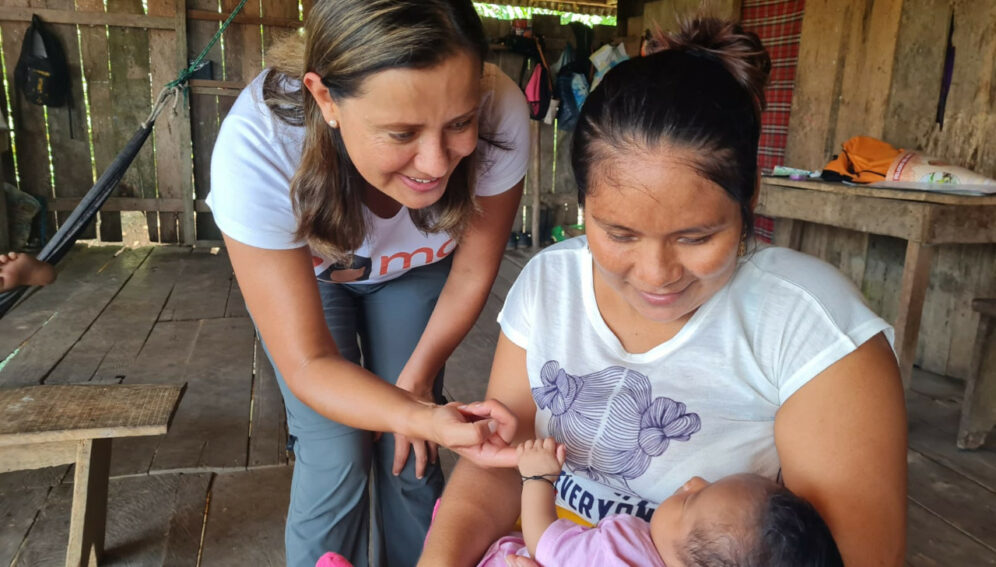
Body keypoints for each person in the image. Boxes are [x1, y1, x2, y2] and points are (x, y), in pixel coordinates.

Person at [420, 17, 907, 567]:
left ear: (750, 200)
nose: (655, 275)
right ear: (583, 205)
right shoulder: (550, 283)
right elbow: (502, 464)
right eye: (618, 234)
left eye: (696, 236)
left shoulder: (811, 328)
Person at [206, 2, 529, 566]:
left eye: (458, 123)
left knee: (413, 451)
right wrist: (412, 411)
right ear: (325, 98)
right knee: (336, 454)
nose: (434, 162)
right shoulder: (258, 144)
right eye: (401, 133)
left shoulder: (499, 106)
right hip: (312, 278)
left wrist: (418, 397)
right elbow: (308, 362)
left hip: (419, 269)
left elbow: (475, 269)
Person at [478, 437, 843, 567]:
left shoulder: (621, 549)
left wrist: (538, 477)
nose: (692, 482)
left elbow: (544, 543)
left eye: (691, 500)